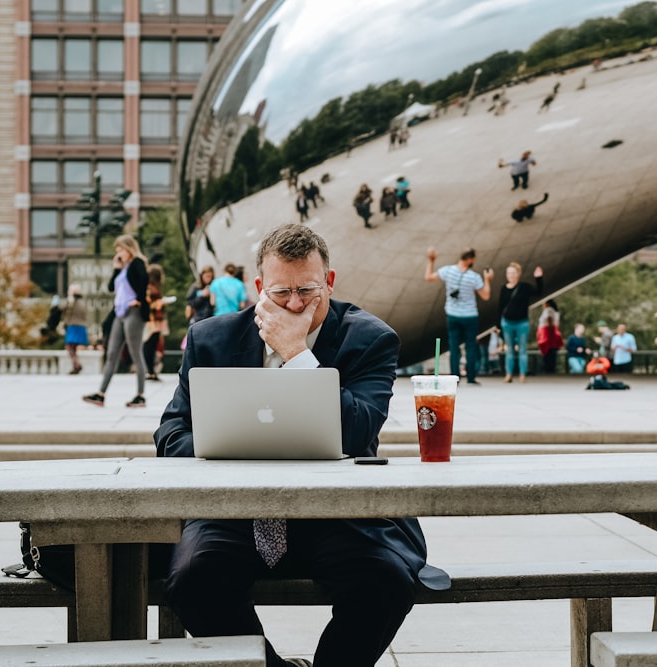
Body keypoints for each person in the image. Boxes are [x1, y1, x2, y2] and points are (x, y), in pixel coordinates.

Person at [155, 223, 448, 667]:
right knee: (192, 578)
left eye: (307, 290)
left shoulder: (369, 338)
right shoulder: (210, 338)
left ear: (329, 282)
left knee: (385, 580)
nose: (294, 304)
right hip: (236, 512)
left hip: (337, 512)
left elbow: (359, 431)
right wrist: (224, 445)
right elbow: (171, 432)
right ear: (259, 288)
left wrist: (297, 355)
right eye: (280, 293)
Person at [83, 234, 150, 408]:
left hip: (133, 312)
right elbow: (111, 287)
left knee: (136, 353)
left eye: (121, 249)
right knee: (112, 353)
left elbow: (143, 281)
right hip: (119, 313)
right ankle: (101, 394)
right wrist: (116, 267)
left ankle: (140, 395)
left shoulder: (137, 263)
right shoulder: (123, 267)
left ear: (129, 249)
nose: (119, 253)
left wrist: (139, 300)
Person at [424, 247, 493, 385]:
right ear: (470, 259)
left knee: (454, 347)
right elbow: (485, 295)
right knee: (470, 346)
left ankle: (455, 378)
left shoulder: (448, 271)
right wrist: (488, 279)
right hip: (470, 316)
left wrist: (431, 260)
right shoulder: (474, 277)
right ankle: (471, 378)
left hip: (452, 315)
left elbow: (428, 277)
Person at [497, 262, 543, 383]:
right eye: (509, 273)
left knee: (522, 349)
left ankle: (522, 374)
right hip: (507, 322)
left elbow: (539, 292)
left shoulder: (525, 287)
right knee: (509, 350)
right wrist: (498, 325)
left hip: (522, 323)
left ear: (518, 274)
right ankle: (509, 374)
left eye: (513, 272)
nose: (511, 275)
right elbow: (500, 307)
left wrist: (538, 278)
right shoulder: (504, 288)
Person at [143, 264, 169, 382]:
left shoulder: (153, 287)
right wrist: (159, 303)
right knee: (150, 344)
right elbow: (147, 303)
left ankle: (151, 370)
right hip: (153, 320)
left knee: (152, 344)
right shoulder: (150, 287)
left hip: (156, 320)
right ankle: (150, 370)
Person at [61, 283, 88, 375]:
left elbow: (62, 308)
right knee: (73, 347)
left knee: (69, 346)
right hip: (81, 326)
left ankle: (76, 365)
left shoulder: (71, 301)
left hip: (73, 326)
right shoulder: (83, 302)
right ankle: (76, 365)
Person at [536, 298, 562, 373]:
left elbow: (549, 320)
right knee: (551, 354)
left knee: (548, 353)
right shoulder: (555, 311)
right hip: (551, 332)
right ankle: (550, 368)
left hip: (547, 334)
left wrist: (550, 334)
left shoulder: (549, 310)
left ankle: (548, 369)